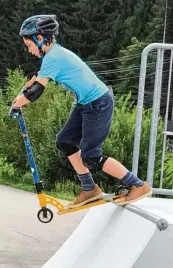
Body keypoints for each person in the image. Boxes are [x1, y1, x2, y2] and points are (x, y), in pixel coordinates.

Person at [11, 14, 152, 208]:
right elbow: (36, 79)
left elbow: (36, 91)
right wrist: (22, 93)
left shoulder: (53, 57)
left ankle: (137, 185)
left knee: (91, 155)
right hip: (86, 103)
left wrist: (19, 102)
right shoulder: (54, 55)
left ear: (40, 38)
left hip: (98, 103)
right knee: (65, 142)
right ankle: (89, 189)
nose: (29, 50)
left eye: (28, 45)